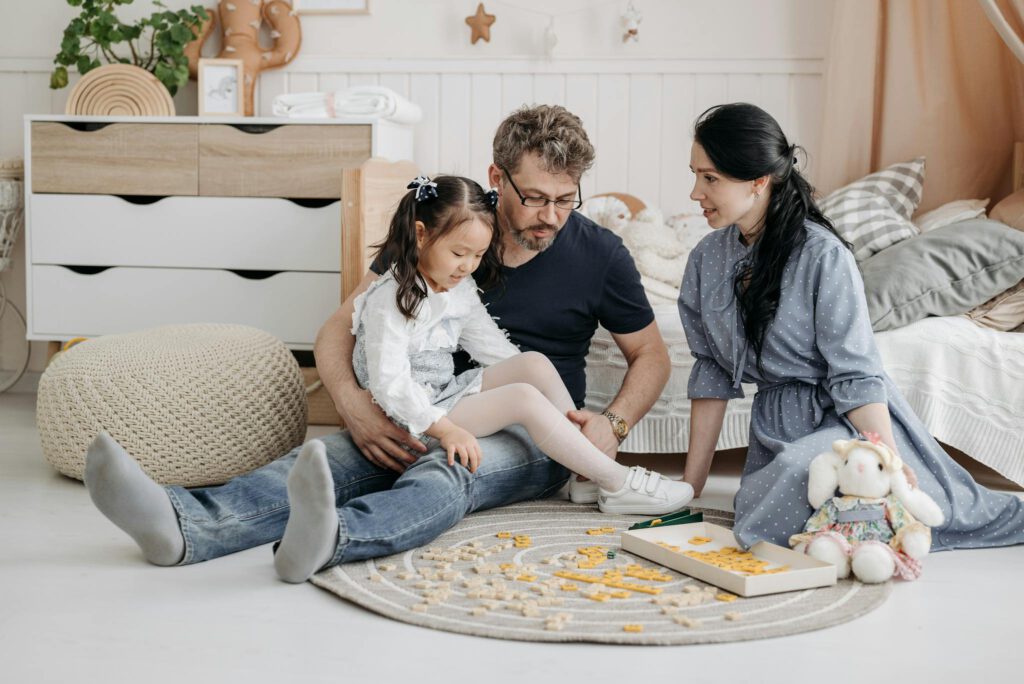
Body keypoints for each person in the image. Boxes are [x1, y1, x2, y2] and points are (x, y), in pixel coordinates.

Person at [83, 104, 673, 581]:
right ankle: (185, 523)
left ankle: (336, 537)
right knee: (329, 460)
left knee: (448, 469)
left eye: (566, 198)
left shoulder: (600, 254)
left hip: (532, 429)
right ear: (497, 179)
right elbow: (344, 323)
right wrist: (355, 404)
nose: (551, 215)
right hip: (420, 401)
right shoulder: (446, 225)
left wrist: (612, 426)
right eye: (536, 197)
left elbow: (651, 355)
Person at [678, 102, 1024, 553]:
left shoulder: (822, 255)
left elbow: (856, 375)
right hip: (776, 425)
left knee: (795, 492)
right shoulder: (707, 258)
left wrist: (891, 461)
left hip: (844, 420)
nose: (694, 193)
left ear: (759, 180)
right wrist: (691, 486)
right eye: (695, 175)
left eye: (710, 179)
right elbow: (712, 370)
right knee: (764, 501)